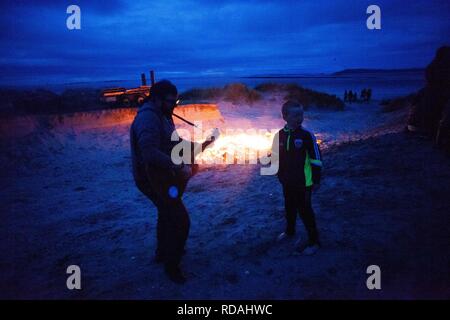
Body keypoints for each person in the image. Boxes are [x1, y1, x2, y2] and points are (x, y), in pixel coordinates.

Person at [130, 80, 218, 283]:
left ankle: (162, 252)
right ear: (158, 99)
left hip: (161, 176)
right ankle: (172, 266)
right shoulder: (148, 119)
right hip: (152, 179)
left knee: (166, 211)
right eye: (171, 101)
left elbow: (175, 143)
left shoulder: (162, 114)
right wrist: (177, 166)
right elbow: (149, 152)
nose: (174, 105)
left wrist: (203, 145)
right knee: (181, 221)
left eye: (176, 101)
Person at [271, 100, 322, 255]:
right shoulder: (279, 135)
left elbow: (316, 158)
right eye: (295, 115)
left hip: (304, 182)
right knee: (289, 208)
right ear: (284, 116)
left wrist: (316, 179)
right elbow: (275, 156)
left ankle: (314, 242)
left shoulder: (307, 136)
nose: (299, 118)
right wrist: (279, 174)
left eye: (301, 114)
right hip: (287, 181)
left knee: (305, 211)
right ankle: (290, 232)